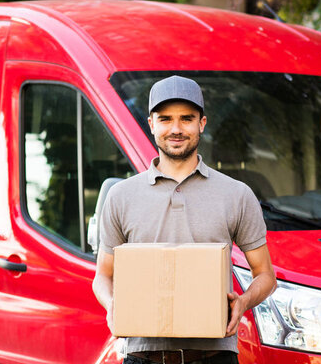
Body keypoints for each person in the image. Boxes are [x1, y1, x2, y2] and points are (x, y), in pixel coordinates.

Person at [92, 75, 276, 364]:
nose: (176, 129)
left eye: (186, 119)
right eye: (165, 119)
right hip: (143, 356)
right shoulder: (121, 196)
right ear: (151, 124)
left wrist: (243, 302)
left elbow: (265, 275)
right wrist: (112, 304)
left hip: (215, 355)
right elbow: (103, 274)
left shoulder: (236, 194)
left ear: (202, 124)